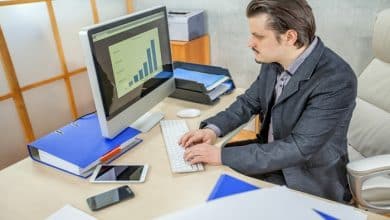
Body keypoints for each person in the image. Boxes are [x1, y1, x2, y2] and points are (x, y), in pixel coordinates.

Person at [179, 0, 357, 203]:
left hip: (306, 179)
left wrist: (220, 156)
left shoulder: (336, 79)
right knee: (199, 179)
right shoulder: (275, 59)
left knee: (212, 193)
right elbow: (248, 102)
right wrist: (212, 130)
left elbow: (298, 148)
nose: (250, 43)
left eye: (258, 36)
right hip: (270, 160)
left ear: (290, 37)